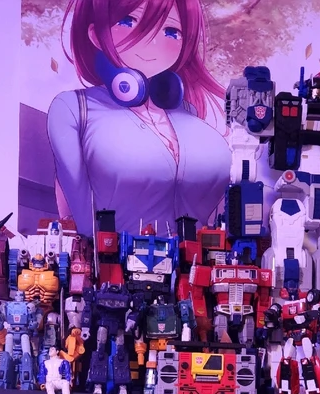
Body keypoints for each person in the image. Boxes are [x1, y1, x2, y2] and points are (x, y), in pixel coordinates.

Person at [48, 0, 231, 239]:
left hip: (197, 258)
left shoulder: (188, 115)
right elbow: (79, 216)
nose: (151, 41)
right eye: (128, 21)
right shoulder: (74, 109)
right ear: (95, 35)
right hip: (116, 257)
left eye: (171, 31)